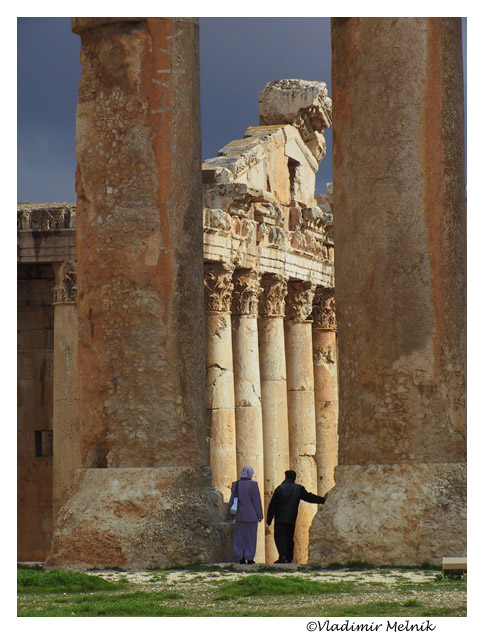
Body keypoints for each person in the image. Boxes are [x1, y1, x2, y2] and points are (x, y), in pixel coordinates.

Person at [267, 469, 328, 563]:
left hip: (280, 517)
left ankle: (282, 556)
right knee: (289, 537)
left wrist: (269, 518)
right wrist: (322, 500)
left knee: (280, 537)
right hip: (291, 517)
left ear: (286, 477)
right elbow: (309, 497)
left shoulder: (280, 488)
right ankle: (289, 558)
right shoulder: (298, 489)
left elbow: (273, 505)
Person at [228, 465, 263, 564]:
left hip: (240, 515)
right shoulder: (253, 485)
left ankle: (241, 557)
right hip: (252, 516)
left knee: (239, 537)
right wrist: (260, 515)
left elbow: (232, 500)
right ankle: (250, 557)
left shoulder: (236, 484)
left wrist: (230, 513)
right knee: (251, 538)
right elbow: (256, 501)